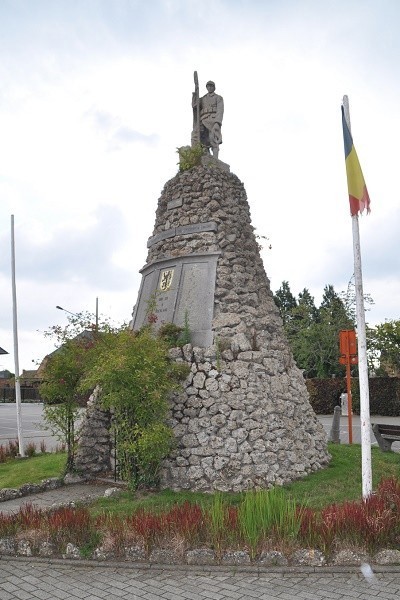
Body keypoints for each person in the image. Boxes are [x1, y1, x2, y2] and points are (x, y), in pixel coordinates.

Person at [192, 81, 224, 159]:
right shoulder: (203, 98)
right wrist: (195, 95)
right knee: (200, 138)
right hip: (202, 120)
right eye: (208, 86)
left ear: (214, 87)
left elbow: (220, 110)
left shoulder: (218, 97)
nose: (209, 88)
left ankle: (215, 159)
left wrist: (217, 122)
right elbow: (195, 106)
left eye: (211, 86)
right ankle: (205, 156)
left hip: (212, 120)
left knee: (212, 139)